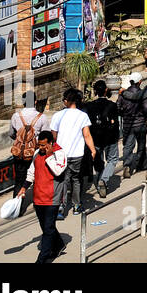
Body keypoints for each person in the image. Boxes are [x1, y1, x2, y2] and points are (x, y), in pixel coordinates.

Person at [20, 131, 67, 262]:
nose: (40, 148)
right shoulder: (36, 154)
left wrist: (49, 155)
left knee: (47, 229)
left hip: (52, 198)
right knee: (47, 226)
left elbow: (58, 171)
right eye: (39, 145)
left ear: (51, 143)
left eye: (43, 145)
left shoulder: (60, 154)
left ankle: (42, 259)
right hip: (38, 197)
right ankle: (59, 244)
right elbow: (31, 172)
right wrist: (24, 187)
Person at [50, 88, 95, 219]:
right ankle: (76, 205)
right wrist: (92, 150)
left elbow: (54, 135)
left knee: (62, 181)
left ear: (66, 100)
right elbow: (87, 135)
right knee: (76, 180)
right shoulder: (82, 116)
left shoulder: (57, 115)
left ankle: (60, 207)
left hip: (61, 154)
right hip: (77, 154)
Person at [9, 94, 49, 201]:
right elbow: (46, 136)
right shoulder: (42, 117)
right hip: (35, 153)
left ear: (23, 102)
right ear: (35, 101)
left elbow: (11, 134)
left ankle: (17, 208)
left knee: (19, 180)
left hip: (19, 153)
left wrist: (21, 141)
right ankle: (39, 203)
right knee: (37, 178)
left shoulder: (16, 116)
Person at [85, 80, 119, 197]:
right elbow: (117, 123)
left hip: (95, 138)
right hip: (110, 137)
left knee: (98, 162)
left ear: (95, 91)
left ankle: (100, 183)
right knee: (113, 159)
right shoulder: (112, 105)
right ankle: (103, 180)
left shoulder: (89, 106)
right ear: (106, 90)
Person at [118, 72, 147, 177]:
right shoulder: (143, 94)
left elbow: (118, 108)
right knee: (141, 144)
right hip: (140, 124)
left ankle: (127, 165)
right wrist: (146, 116)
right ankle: (140, 164)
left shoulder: (123, 94)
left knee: (128, 146)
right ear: (140, 82)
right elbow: (146, 108)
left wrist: (124, 114)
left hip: (127, 123)